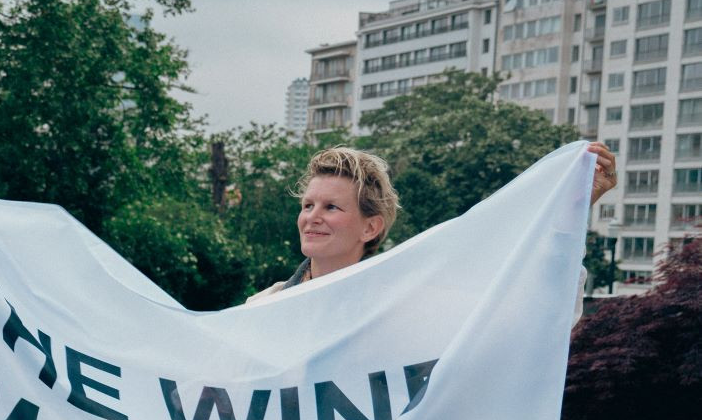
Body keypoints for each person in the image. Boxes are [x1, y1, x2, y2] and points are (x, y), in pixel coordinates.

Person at [248, 142, 618, 303]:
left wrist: (573, 209)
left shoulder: (401, 305)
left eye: (331, 208)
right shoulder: (262, 307)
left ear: (370, 227)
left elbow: (525, 307)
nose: (312, 217)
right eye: (308, 205)